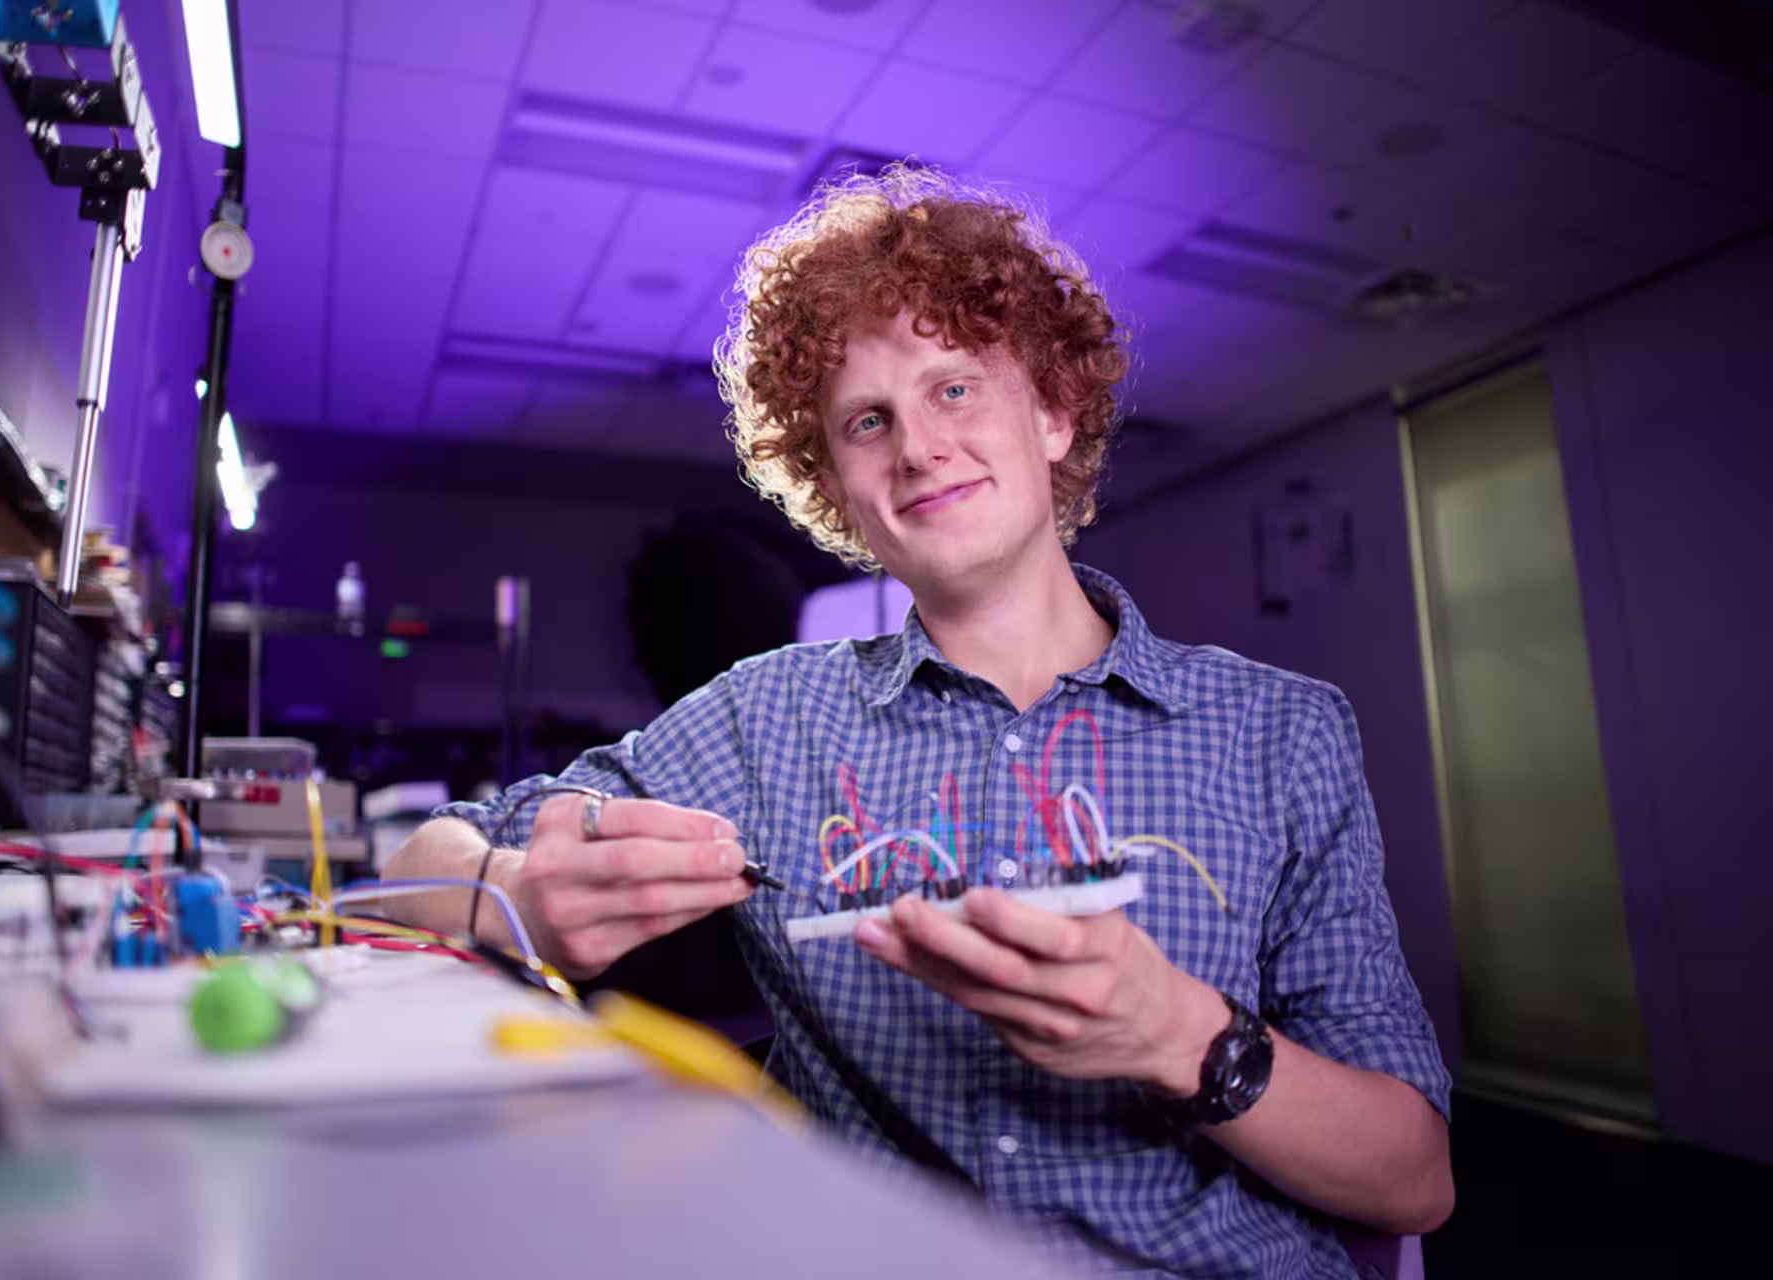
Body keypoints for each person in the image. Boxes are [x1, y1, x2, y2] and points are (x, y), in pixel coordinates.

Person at [382, 167, 1453, 1276]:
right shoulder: (768, 720)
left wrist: (1180, 1035)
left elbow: (1414, 1174)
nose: (919, 447)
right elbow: (414, 870)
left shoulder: (1281, 733)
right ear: (835, 488)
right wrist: (504, 891)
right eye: (867, 419)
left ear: (1052, 411)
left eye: (955, 388)